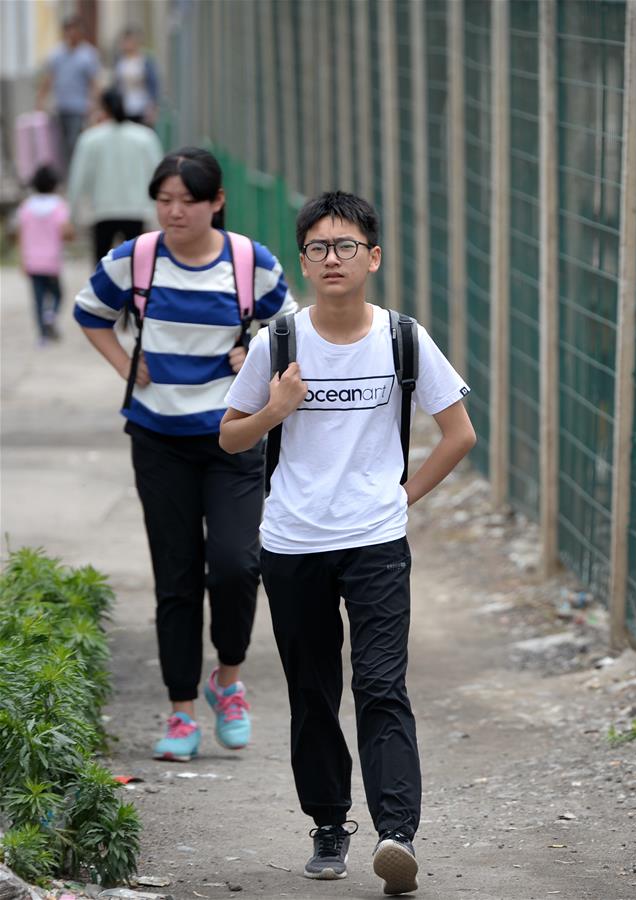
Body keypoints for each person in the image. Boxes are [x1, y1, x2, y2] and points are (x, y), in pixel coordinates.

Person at [219, 191, 476, 895]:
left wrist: (400, 497)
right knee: (312, 689)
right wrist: (275, 409)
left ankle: (397, 834)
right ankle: (329, 824)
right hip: (293, 541)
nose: (332, 259)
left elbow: (459, 435)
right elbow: (231, 434)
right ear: (303, 258)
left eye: (346, 246)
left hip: (374, 541)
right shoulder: (280, 340)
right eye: (318, 248)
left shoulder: (402, 337)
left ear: (374, 257)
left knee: (381, 684)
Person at [73, 147, 298, 762]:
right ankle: (180, 714)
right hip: (158, 438)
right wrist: (128, 366)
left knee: (235, 564)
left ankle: (227, 678)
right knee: (175, 577)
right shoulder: (135, 259)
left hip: (233, 435)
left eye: (188, 201)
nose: (174, 212)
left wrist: (254, 351)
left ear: (216, 203)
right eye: (164, 200)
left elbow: (292, 335)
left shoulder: (252, 263)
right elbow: (89, 313)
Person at [68, 88, 163, 263]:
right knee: (136, 267)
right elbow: (159, 175)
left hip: (102, 212)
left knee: (101, 268)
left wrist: (72, 215)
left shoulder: (90, 139)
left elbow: (77, 180)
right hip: (137, 210)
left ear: (102, 108)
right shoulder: (145, 137)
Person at [16, 165, 74, 344]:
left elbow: (21, 234)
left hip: (32, 260)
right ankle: (51, 315)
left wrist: (22, 259)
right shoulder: (59, 206)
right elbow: (65, 231)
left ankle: (42, 336)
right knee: (57, 294)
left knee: (38, 298)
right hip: (51, 259)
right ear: (54, 185)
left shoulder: (26, 207)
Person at [37, 14, 100, 169]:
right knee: (60, 145)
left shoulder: (88, 55)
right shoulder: (57, 54)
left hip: (78, 107)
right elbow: (49, 78)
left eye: (75, 30)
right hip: (61, 106)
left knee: (74, 142)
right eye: (69, 30)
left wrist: (95, 104)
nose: (72, 34)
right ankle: (65, 175)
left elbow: (94, 82)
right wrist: (40, 99)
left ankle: (76, 173)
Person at [113, 26, 160, 126]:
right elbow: (116, 84)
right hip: (124, 106)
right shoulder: (120, 61)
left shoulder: (145, 60)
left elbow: (153, 83)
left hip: (142, 106)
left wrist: (153, 106)